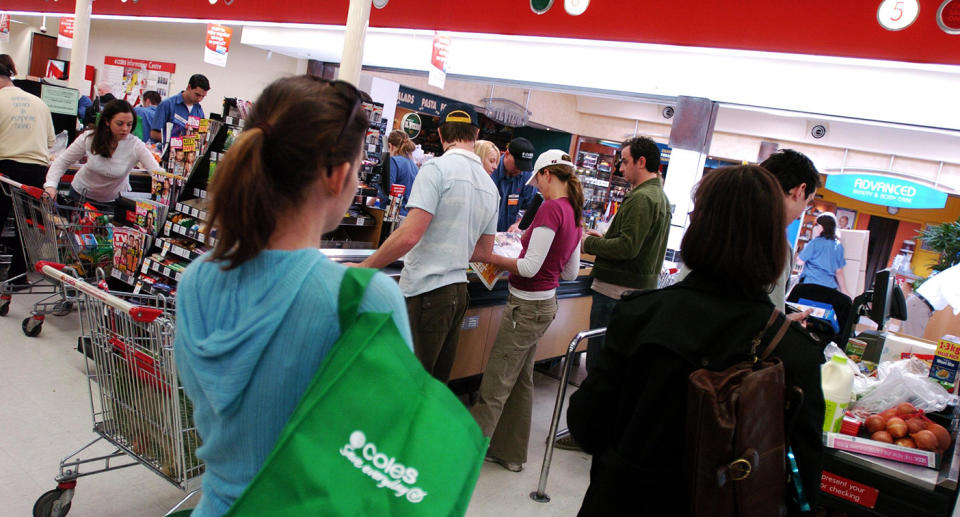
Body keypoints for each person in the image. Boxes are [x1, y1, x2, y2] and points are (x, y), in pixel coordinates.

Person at [175, 75, 413, 517]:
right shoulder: (366, 301)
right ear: (337, 174)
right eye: (359, 167)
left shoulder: (195, 281)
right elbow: (386, 458)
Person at [567, 165, 825, 516]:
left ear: (699, 228)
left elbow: (587, 425)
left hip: (622, 501)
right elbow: (802, 484)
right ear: (774, 241)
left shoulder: (640, 315)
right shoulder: (793, 352)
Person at [357, 102, 499, 383]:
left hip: (428, 293)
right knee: (433, 386)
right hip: (459, 293)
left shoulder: (436, 170)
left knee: (408, 383)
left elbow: (410, 234)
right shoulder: (489, 185)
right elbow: (484, 251)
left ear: (441, 133)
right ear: (476, 133)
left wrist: (366, 266)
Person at [469, 150, 583, 472]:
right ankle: (511, 453)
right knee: (520, 380)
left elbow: (530, 267)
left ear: (548, 174)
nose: (538, 189)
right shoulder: (574, 211)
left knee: (495, 382)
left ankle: (465, 457)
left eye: (539, 182)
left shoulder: (550, 209)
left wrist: (489, 256)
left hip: (526, 307)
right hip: (545, 305)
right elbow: (571, 273)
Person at [45, 99, 162, 206]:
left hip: (115, 202)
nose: (125, 129)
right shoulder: (89, 139)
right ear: (107, 121)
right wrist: (51, 186)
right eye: (120, 124)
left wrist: (168, 186)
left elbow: (157, 172)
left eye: (129, 124)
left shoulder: (136, 145)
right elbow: (62, 162)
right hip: (80, 197)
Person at [0, 59, 56, 284]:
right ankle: (18, 277)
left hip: (4, 168)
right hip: (36, 170)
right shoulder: (39, 102)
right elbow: (51, 141)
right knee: (27, 225)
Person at [759, 148, 822, 311]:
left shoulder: (716, 225)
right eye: (808, 202)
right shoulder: (775, 244)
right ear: (799, 191)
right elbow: (769, 323)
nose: (803, 210)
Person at [901, 264, 960, 338]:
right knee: (912, 343)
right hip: (919, 306)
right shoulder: (957, 272)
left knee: (911, 342)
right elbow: (948, 290)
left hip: (920, 306)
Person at [797, 212, 849, 296]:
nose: (816, 228)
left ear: (822, 227)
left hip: (810, 285)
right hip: (828, 288)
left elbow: (800, 261)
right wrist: (844, 290)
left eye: (817, 225)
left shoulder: (814, 243)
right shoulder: (838, 245)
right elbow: (839, 271)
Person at [491, 137, 536, 232]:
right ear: (507, 154)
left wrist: (520, 223)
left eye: (524, 167)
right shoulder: (491, 170)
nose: (520, 170)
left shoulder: (526, 175)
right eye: (518, 165)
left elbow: (533, 207)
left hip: (507, 237)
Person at [150, 73, 210, 143]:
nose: (199, 99)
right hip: (165, 151)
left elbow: (200, 136)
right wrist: (177, 142)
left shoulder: (199, 111)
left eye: (203, 96)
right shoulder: (167, 104)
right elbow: (154, 134)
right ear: (189, 87)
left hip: (187, 152)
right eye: (197, 95)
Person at [384, 129, 418, 216]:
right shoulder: (415, 167)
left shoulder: (393, 161)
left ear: (390, 146)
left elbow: (388, 189)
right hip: (407, 215)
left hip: (391, 214)